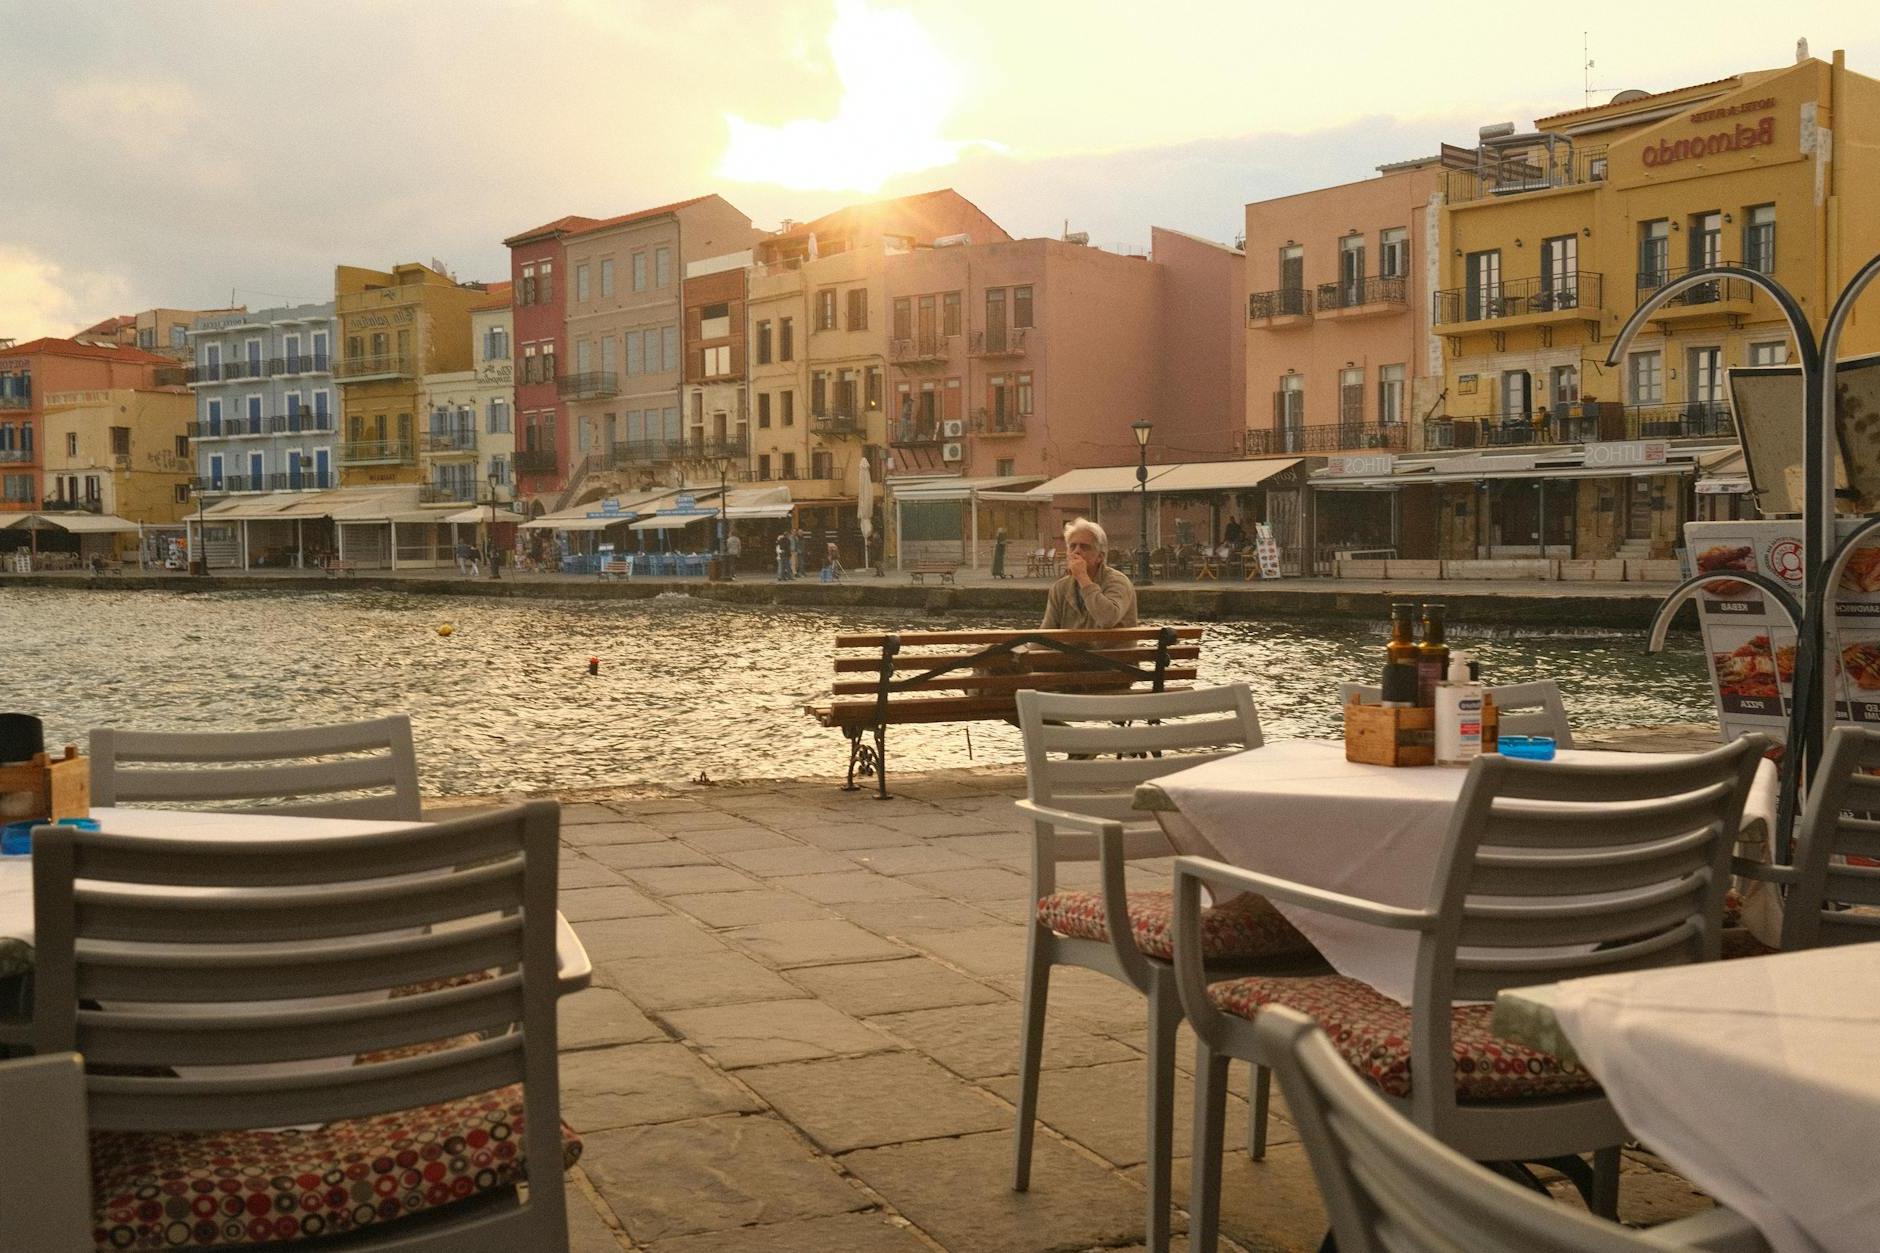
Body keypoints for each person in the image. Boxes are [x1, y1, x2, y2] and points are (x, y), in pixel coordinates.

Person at [1042, 517, 1137, 629]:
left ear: (1100, 557)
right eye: (1072, 546)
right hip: (1070, 646)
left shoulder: (1118, 582)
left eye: (1084, 547)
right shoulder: (1060, 587)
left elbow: (1108, 619)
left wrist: (1083, 578)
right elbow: (1046, 632)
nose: (1077, 551)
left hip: (1109, 647)